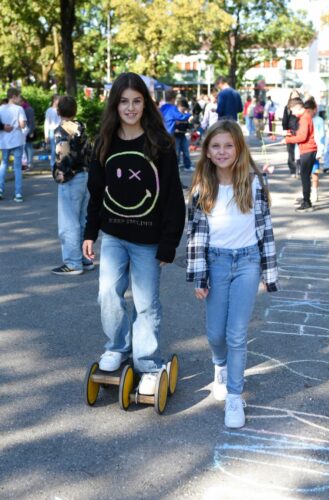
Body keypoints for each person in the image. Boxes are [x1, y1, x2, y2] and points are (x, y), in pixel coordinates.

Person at [82, 72, 185, 395]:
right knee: (107, 294)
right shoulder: (104, 144)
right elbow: (96, 193)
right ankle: (116, 347)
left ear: (145, 104)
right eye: (124, 101)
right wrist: (90, 233)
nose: (130, 108)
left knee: (146, 304)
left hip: (148, 240)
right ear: (115, 104)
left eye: (137, 101)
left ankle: (148, 362)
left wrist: (168, 244)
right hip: (113, 235)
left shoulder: (161, 144)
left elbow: (172, 199)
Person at [186, 120, 279, 428]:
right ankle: (220, 366)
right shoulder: (202, 186)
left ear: (238, 147)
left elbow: (265, 229)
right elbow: (196, 235)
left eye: (228, 145)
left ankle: (235, 397)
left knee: (236, 334)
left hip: (248, 263)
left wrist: (269, 271)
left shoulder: (253, 183)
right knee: (215, 333)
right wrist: (200, 276)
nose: (222, 151)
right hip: (216, 263)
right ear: (207, 151)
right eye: (216, 146)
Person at [51, 95, 93, 276]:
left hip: (71, 177)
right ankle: (85, 258)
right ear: (75, 110)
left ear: (59, 111)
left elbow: (63, 155)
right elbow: (90, 151)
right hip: (85, 175)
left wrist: (60, 174)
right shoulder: (80, 127)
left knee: (68, 222)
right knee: (82, 219)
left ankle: (73, 262)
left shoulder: (61, 130)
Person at [285, 97, 317, 212]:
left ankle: (307, 203)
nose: (292, 113)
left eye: (292, 110)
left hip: (308, 151)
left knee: (305, 178)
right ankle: (306, 199)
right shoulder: (304, 117)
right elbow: (301, 133)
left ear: (298, 107)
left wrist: (288, 140)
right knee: (305, 177)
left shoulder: (304, 118)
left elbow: (302, 137)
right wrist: (289, 133)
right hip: (307, 150)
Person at [0, 88, 27, 202]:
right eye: (19, 96)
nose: (20, 99)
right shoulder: (19, 108)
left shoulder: (0, 108)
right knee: (17, 167)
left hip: (4, 141)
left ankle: (0, 189)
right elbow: (22, 125)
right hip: (17, 140)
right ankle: (18, 193)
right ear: (14, 97)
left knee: (4, 164)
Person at [304, 98, 325, 204]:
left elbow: (322, 138)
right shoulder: (303, 120)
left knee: (315, 173)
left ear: (314, 110)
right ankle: (308, 191)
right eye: (305, 111)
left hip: (315, 151)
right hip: (305, 151)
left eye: (309, 111)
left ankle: (315, 192)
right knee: (306, 174)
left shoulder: (319, 121)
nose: (307, 113)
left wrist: (320, 151)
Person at [282, 90, 300, 176]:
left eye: (297, 96)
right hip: (290, 131)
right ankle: (293, 170)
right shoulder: (287, 107)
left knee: (301, 151)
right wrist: (285, 130)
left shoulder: (302, 107)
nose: (295, 98)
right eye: (293, 96)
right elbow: (285, 120)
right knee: (291, 152)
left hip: (300, 131)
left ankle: (300, 169)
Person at [174, 98, 194, 171]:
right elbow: (170, 124)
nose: (184, 110)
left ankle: (187, 166)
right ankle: (176, 167)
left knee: (186, 151)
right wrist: (174, 129)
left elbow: (187, 124)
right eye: (183, 108)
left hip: (182, 135)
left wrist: (190, 127)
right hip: (175, 136)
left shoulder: (184, 115)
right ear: (180, 106)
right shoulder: (174, 114)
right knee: (177, 152)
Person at [44, 94, 61, 170]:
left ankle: (59, 164)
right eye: (59, 100)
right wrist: (46, 135)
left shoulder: (61, 109)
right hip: (52, 131)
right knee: (54, 149)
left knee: (60, 149)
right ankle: (52, 165)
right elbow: (47, 122)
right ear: (54, 100)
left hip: (60, 130)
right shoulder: (49, 110)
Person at [19, 96, 36, 171]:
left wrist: (31, 131)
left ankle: (29, 163)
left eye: (19, 102)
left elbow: (31, 121)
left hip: (28, 130)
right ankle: (27, 163)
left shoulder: (28, 109)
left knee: (29, 148)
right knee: (26, 147)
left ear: (22, 101)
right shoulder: (23, 108)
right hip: (25, 131)